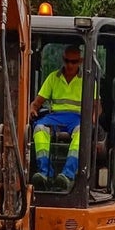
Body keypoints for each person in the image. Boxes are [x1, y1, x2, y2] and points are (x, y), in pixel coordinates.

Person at [29, 46, 85, 193]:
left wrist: (92, 118)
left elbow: (97, 106)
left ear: (80, 61)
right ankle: (44, 172)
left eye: (74, 62)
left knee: (82, 132)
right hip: (56, 117)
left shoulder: (87, 80)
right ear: (63, 60)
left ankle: (67, 175)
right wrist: (33, 108)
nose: (70, 65)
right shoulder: (53, 77)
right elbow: (37, 102)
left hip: (77, 118)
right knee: (39, 128)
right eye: (67, 61)